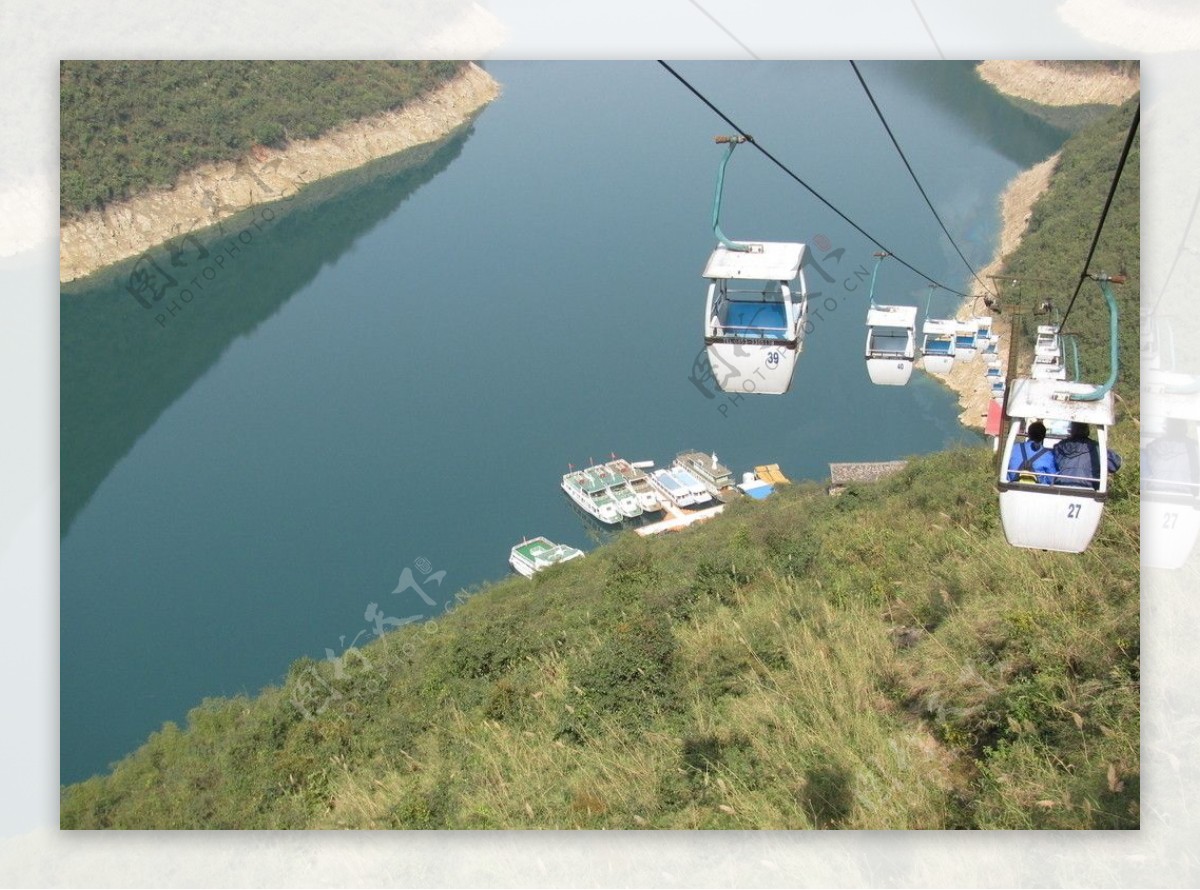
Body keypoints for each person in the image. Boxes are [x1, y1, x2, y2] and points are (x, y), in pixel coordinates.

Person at [1053, 421, 1122, 489]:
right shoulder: (1096, 448)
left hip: (1061, 485)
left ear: (1071, 430)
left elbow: (1052, 466)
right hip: (1088, 487)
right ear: (1086, 430)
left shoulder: (1059, 447)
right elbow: (1114, 465)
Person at [1007, 420, 1057, 484]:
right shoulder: (1048, 455)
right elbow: (1051, 479)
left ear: (1028, 434)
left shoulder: (1014, 448)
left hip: (1013, 487)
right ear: (1043, 436)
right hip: (1036, 491)